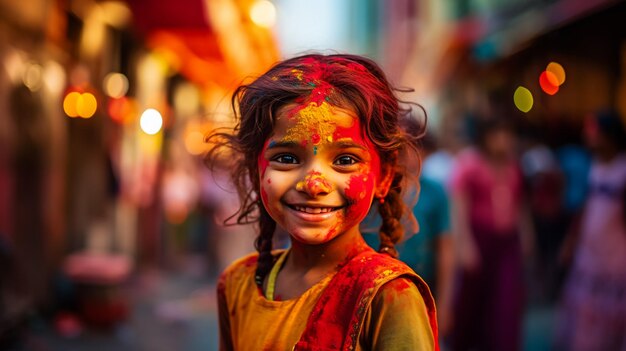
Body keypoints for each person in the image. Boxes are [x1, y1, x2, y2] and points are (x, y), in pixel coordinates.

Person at [206, 54, 438, 350]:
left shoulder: (389, 296)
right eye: (287, 158)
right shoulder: (237, 284)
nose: (314, 184)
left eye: (345, 160)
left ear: (384, 176)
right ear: (256, 170)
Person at [361, 131, 454, 340]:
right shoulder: (371, 189)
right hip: (370, 289)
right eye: (399, 151)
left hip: (423, 284)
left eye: (414, 149)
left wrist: (445, 304)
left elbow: (445, 250)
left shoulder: (435, 191)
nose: (407, 158)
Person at [448, 117, 531, 351]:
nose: (503, 141)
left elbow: (520, 205)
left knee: (505, 304)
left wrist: (526, 237)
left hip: (506, 244)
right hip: (478, 239)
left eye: (507, 134)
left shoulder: (514, 165)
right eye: (497, 134)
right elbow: (458, 207)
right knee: (471, 305)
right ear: (485, 137)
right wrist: (465, 244)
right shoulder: (470, 164)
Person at [555, 110, 626, 351]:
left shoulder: (622, 170)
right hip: (589, 254)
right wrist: (571, 241)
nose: (589, 137)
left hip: (615, 257)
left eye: (595, 132)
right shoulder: (593, 167)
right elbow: (584, 210)